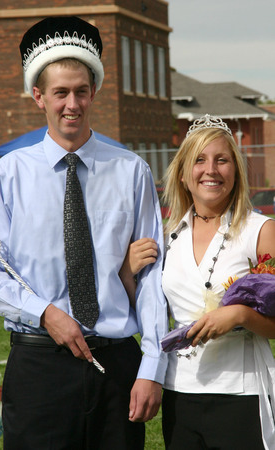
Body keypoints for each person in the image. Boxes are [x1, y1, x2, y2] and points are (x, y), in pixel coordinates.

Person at [0, 16, 168, 450]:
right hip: (39, 365)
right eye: (60, 92)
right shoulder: (8, 176)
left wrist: (152, 364)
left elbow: (153, 275)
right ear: (38, 96)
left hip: (116, 363)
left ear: (94, 91)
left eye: (82, 91)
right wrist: (45, 313)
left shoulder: (131, 171)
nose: (72, 104)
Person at [124, 114, 275, 449]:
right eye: (199, 161)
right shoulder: (165, 237)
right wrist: (126, 272)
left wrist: (239, 316)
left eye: (222, 160)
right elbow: (146, 313)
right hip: (180, 394)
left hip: (243, 392)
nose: (211, 170)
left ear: (235, 171)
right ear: (182, 174)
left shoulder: (260, 231)